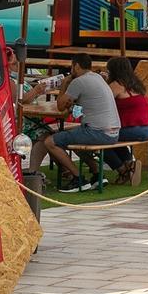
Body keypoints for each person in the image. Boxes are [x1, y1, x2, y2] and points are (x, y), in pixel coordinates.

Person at [44, 53, 121, 193]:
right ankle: (97, 175)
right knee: (77, 142)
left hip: (98, 132)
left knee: (50, 141)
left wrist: (65, 83)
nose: (71, 70)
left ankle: (78, 178)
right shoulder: (97, 77)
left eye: (71, 67)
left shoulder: (78, 82)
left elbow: (60, 106)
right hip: (113, 132)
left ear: (77, 66)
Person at [102, 57, 148, 185]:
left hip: (137, 129)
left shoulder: (116, 85)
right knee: (114, 138)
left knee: (101, 138)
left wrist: (103, 83)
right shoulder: (136, 84)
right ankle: (129, 164)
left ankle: (123, 170)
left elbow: (101, 100)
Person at [7, 49, 55, 173]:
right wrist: (36, 91)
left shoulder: (18, 78)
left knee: (53, 136)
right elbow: (20, 100)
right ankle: (32, 171)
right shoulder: (9, 80)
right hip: (21, 120)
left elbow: (27, 97)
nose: (18, 66)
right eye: (14, 64)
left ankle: (35, 171)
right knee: (47, 137)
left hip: (31, 118)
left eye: (20, 63)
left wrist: (37, 92)